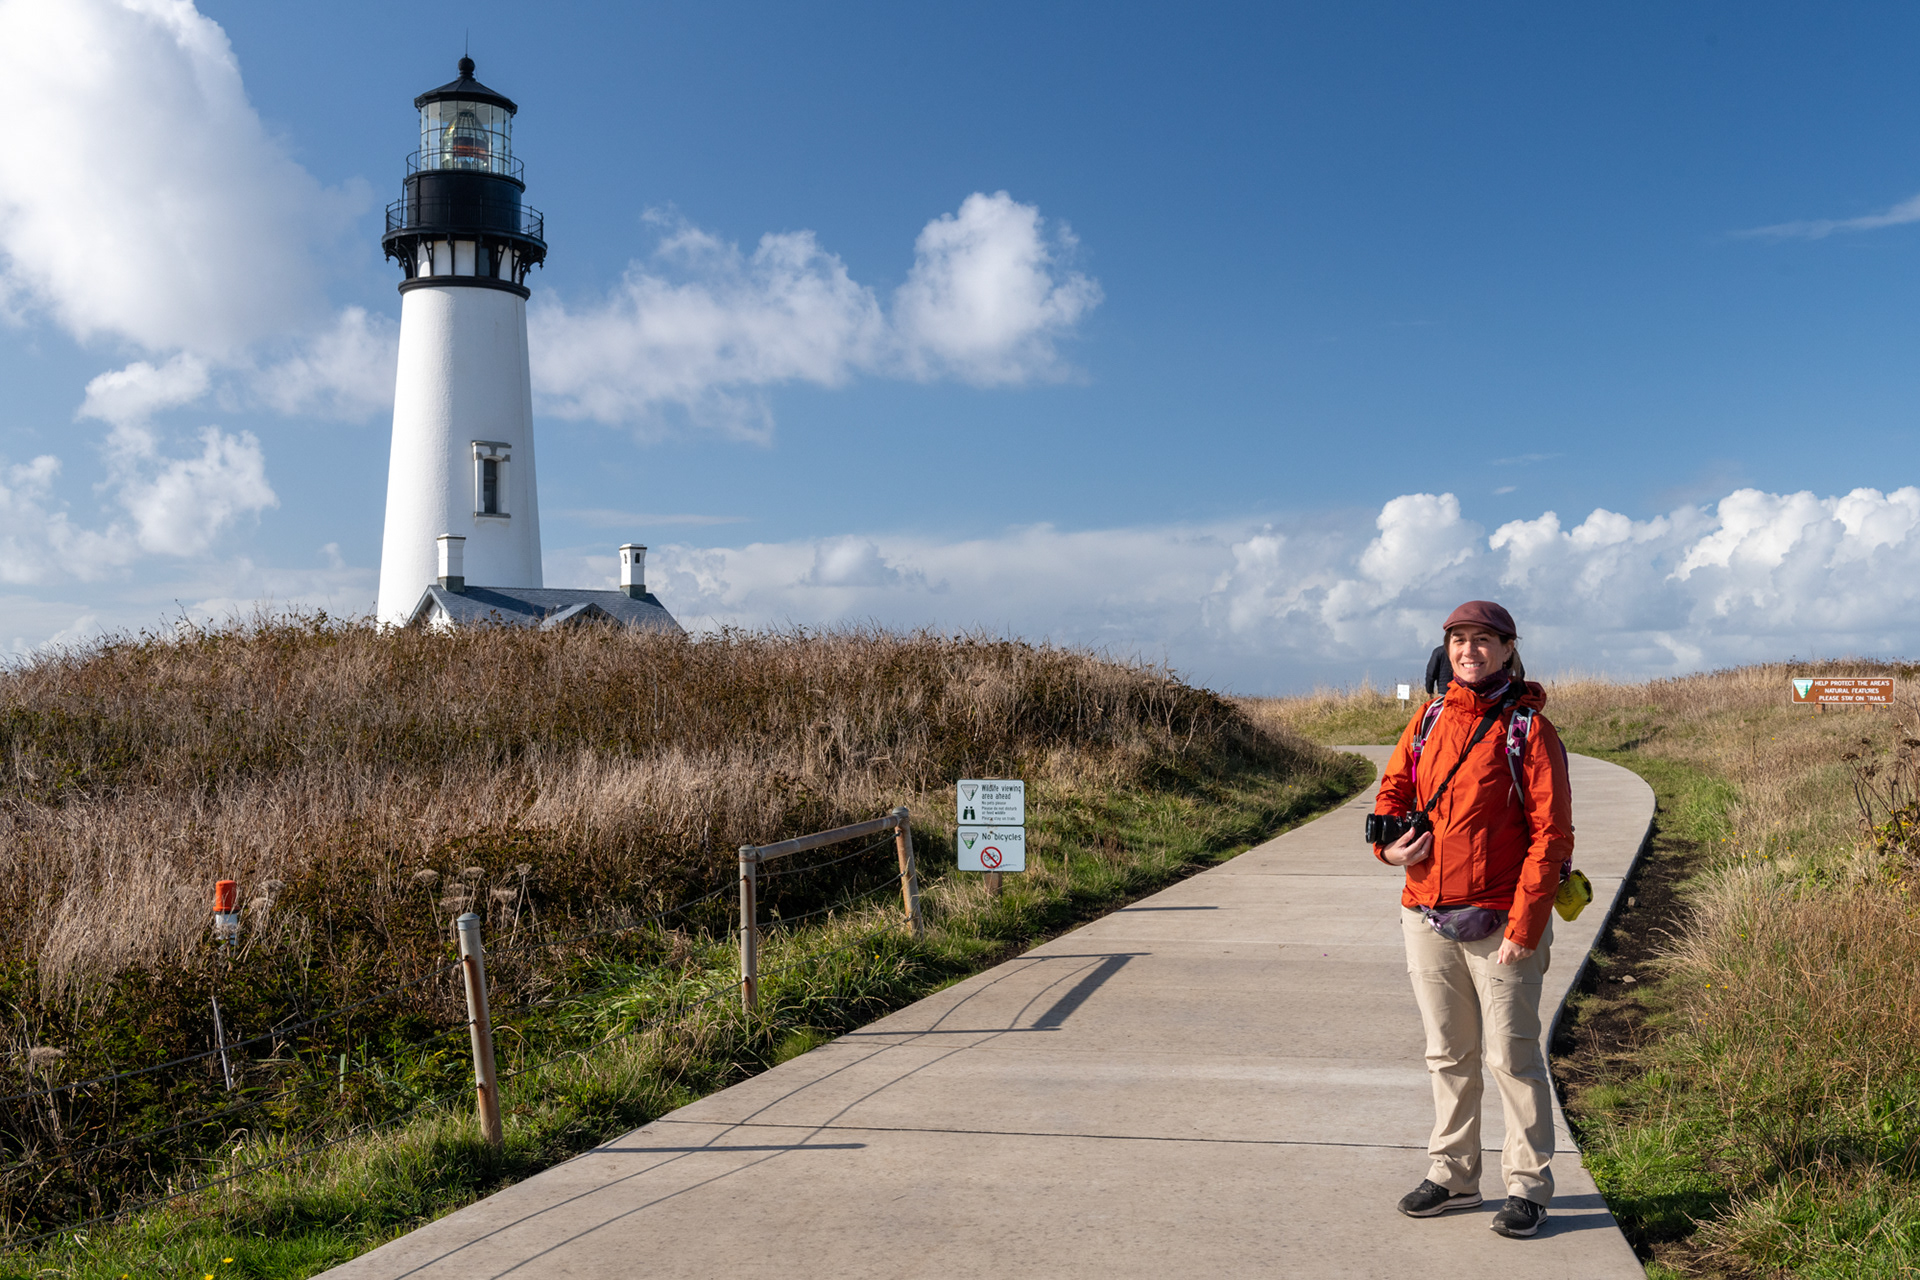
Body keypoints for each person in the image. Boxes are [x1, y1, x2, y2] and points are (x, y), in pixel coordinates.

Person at [1371, 600, 1572, 1239]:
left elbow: (1551, 837)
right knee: (1447, 1052)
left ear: (1509, 649)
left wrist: (1524, 925)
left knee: (1510, 1055)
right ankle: (1455, 1175)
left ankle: (1527, 1186)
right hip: (1425, 913)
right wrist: (1386, 847)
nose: (1469, 650)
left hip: (1501, 923)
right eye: (1459, 639)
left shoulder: (1530, 731)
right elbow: (1393, 793)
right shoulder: (1427, 719)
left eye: (1484, 640)